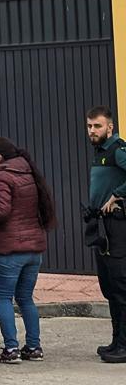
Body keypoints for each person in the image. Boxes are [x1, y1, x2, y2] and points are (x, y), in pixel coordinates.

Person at [0, 137, 56, 363]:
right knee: (26, 299)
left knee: (3, 297)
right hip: (33, 250)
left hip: (10, 250)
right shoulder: (27, 171)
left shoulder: (1, 176)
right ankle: (34, 347)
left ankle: (11, 349)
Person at [84, 106, 126, 363]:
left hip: (117, 227)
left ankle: (124, 345)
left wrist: (118, 193)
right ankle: (116, 341)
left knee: (121, 286)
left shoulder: (117, 150)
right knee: (109, 286)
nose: (92, 130)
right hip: (102, 226)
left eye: (97, 126)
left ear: (109, 127)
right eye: (89, 126)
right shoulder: (100, 153)